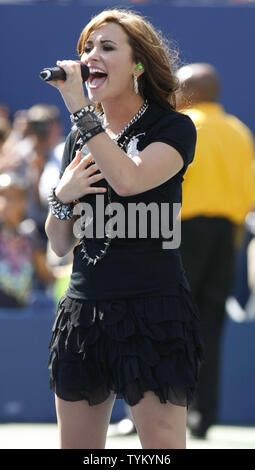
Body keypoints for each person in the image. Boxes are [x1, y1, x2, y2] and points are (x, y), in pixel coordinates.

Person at [45, 8, 204, 449]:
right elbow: (58, 244)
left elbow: (129, 180)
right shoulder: (80, 138)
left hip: (154, 308)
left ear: (138, 64)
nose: (91, 55)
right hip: (84, 310)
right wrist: (63, 195)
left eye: (107, 47)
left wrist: (79, 107)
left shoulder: (172, 128)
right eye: (87, 48)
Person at [175, 62, 255, 438]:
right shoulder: (239, 131)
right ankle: (202, 415)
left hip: (182, 232)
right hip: (227, 235)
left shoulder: (184, 125)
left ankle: (169, 408)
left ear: (192, 90)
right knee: (210, 324)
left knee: (169, 320)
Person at [0, 172, 57, 308]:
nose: (5, 202)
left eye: (12, 198)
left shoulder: (29, 234)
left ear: (23, 202)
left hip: (22, 312)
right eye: (2, 196)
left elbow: (45, 273)